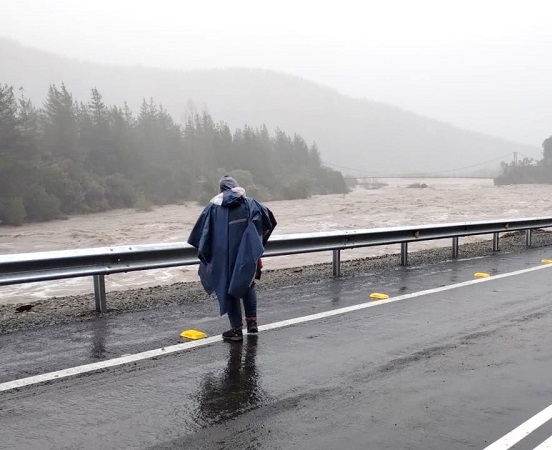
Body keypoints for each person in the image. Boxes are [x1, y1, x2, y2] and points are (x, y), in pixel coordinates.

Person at [188, 175, 277, 341]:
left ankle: (236, 330)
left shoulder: (212, 208)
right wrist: (256, 243)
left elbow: (202, 233)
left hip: (222, 257)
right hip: (247, 255)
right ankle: (252, 323)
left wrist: (207, 255)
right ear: (236, 187)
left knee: (227, 288)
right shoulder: (250, 203)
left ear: (221, 190)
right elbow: (268, 220)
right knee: (248, 284)